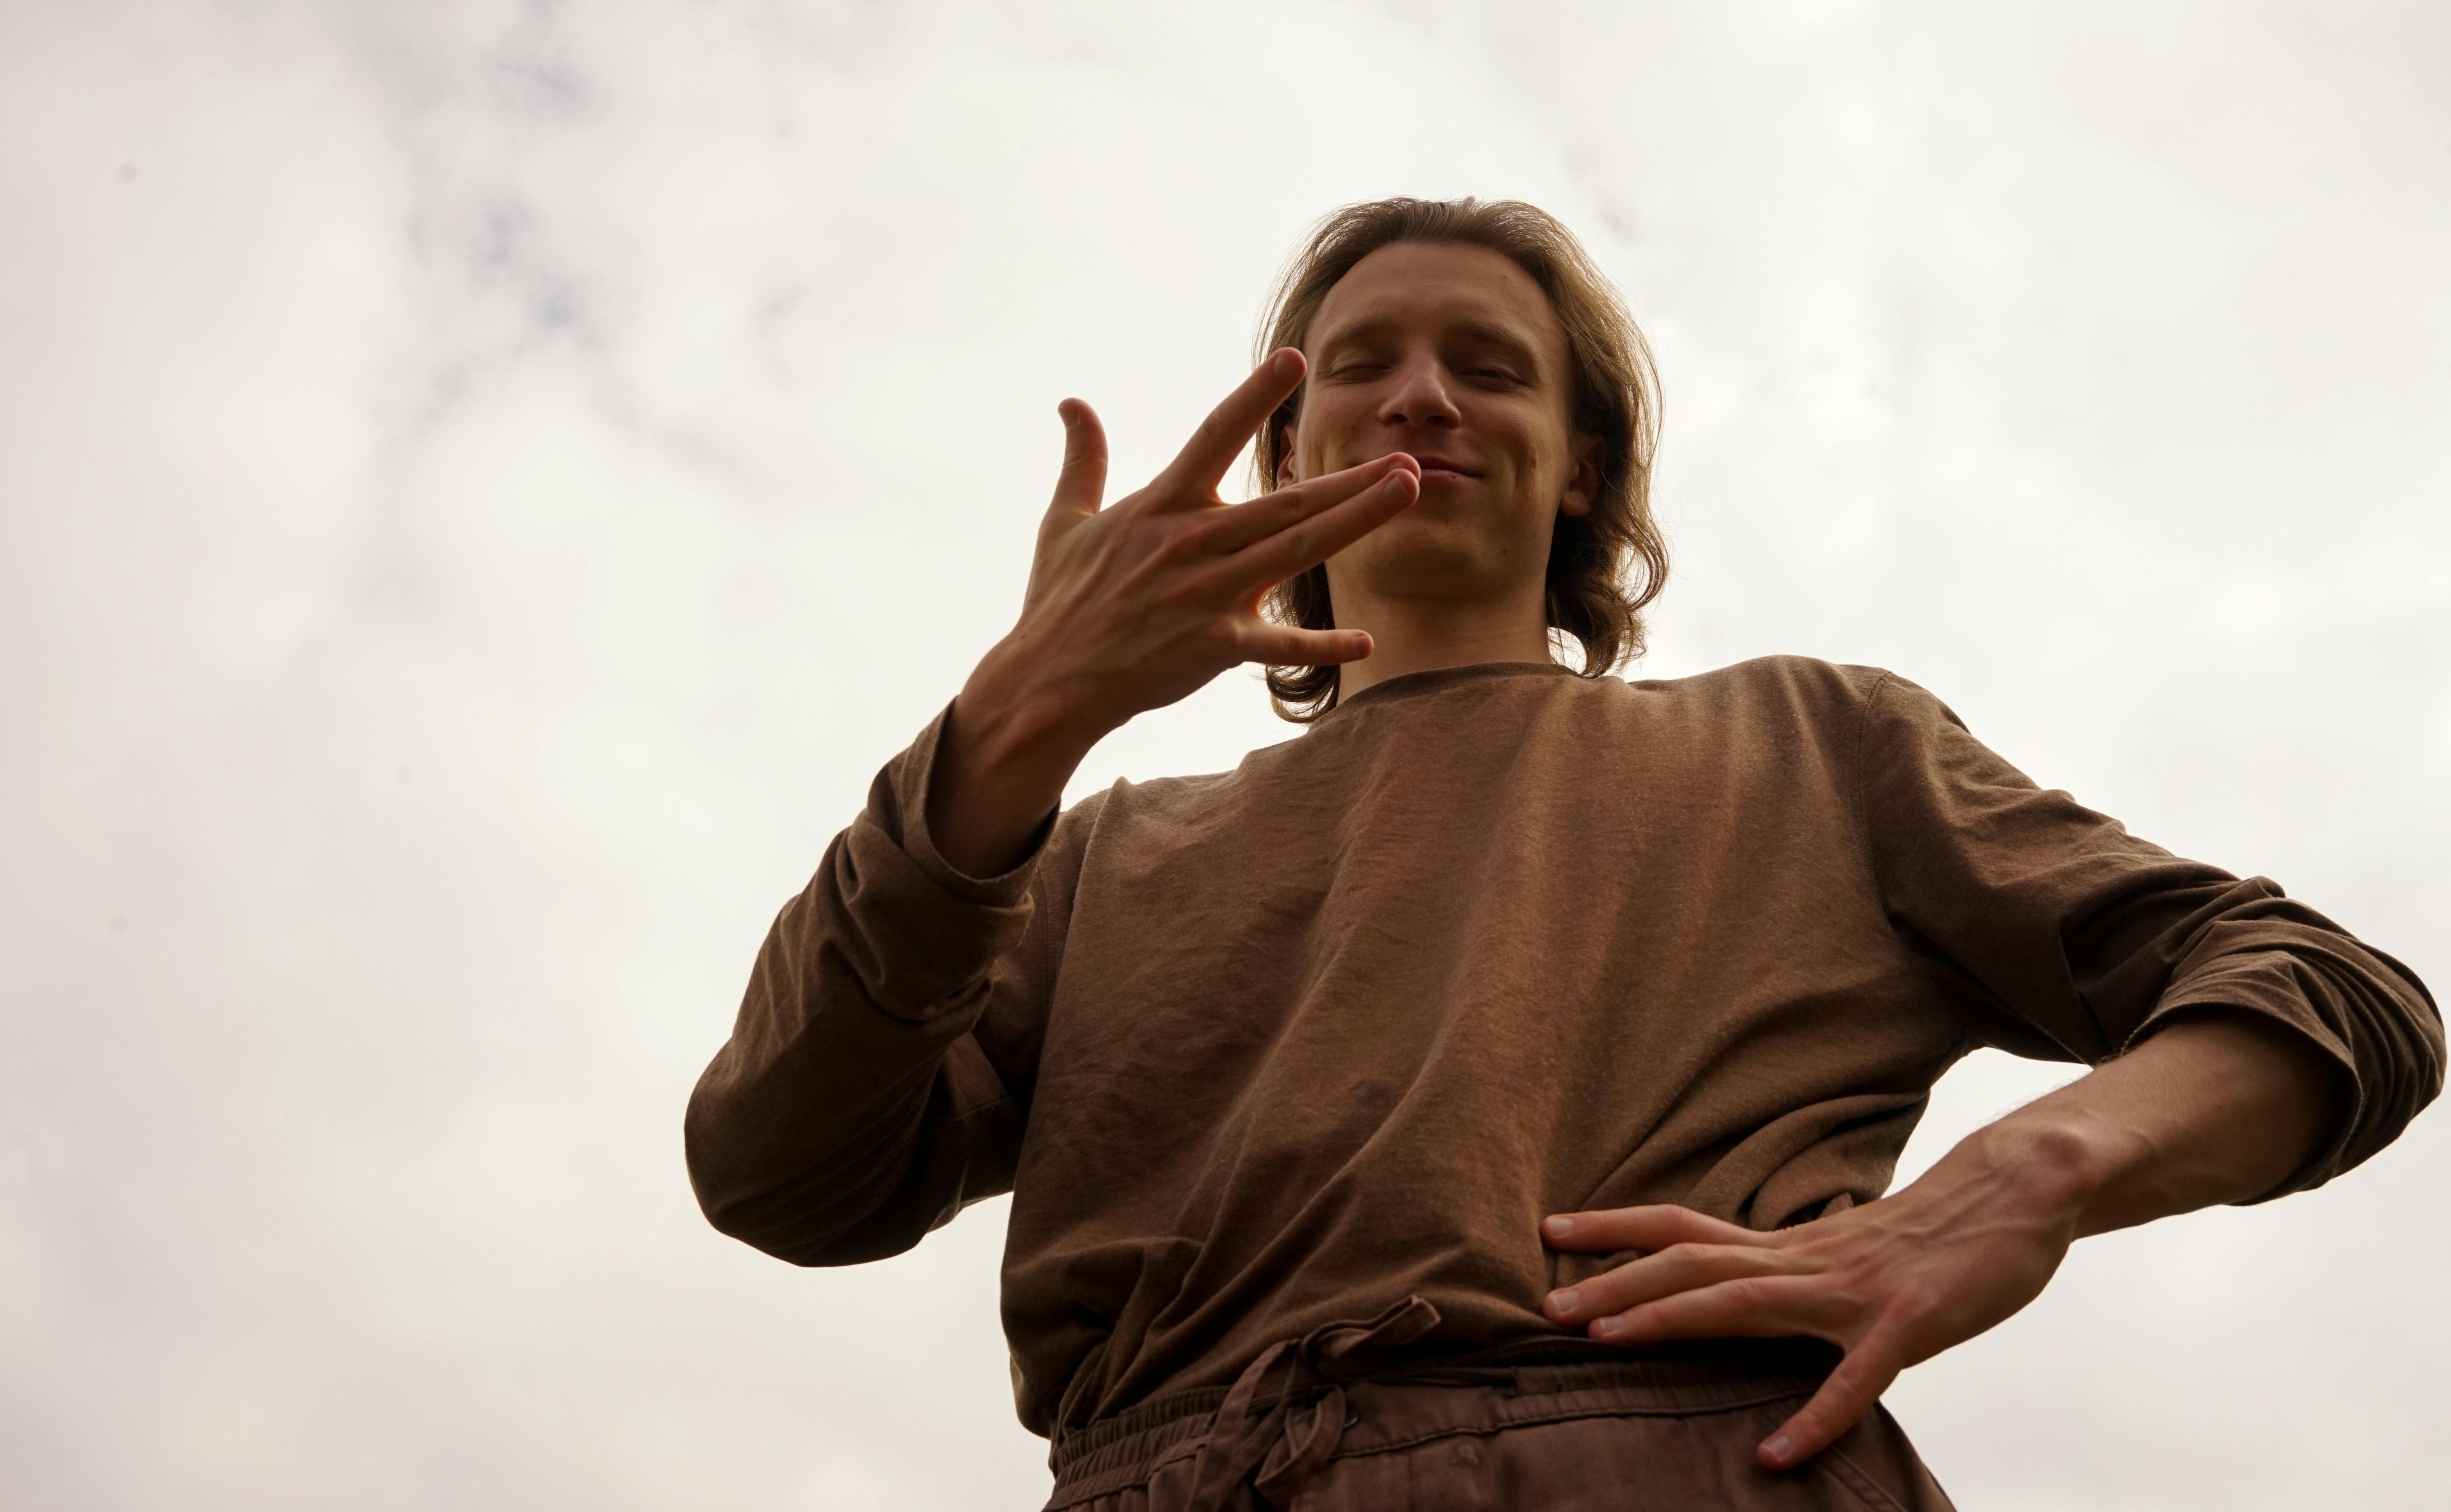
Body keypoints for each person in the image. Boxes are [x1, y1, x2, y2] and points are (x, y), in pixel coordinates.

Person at [684, 198, 2442, 1511]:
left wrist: (2014, 1184)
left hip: (1680, 1459)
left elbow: (2335, 995)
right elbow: (784, 1172)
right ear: (1287, 447)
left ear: (1584, 466)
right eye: (1358, 363)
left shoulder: (1811, 742)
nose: (1421, 396)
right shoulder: (1094, 852)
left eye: (1489, 363)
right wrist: (1010, 728)